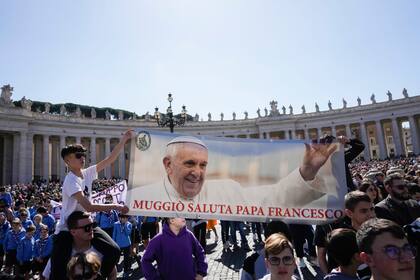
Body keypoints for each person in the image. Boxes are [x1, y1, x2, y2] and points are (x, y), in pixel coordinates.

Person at [129, 135, 340, 216]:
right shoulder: (141, 198)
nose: (197, 172)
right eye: (190, 163)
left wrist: (308, 172)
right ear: (168, 164)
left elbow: (273, 199)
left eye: (203, 165)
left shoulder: (225, 189)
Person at [50, 129, 133, 280]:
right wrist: (115, 206)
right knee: (58, 271)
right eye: (78, 156)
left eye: (83, 155)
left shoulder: (87, 172)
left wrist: (124, 140)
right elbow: (88, 206)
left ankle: (98, 276)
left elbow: (110, 160)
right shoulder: (71, 180)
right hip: (68, 228)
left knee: (114, 251)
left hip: (88, 222)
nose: (82, 158)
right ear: (67, 161)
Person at [315, 191, 375, 275]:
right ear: (349, 213)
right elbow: (321, 256)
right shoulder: (340, 236)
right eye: (364, 211)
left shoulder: (377, 231)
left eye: (371, 209)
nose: (371, 214)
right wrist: (328, 276)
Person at [43, 211, 112, 279]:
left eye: (92, 225)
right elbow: (47, 276)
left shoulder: (102, 250)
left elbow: (112, 273)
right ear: (73, 232)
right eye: (87, 227)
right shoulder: (60, 253)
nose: (91, 229)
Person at [141, 217, 208, 279]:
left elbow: (200, 253)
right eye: (180, 215)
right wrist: (155, 278)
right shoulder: (158, 239)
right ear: (171, 220)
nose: (184, 217)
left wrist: (201, 273)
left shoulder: (189, 235)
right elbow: (145, 260)